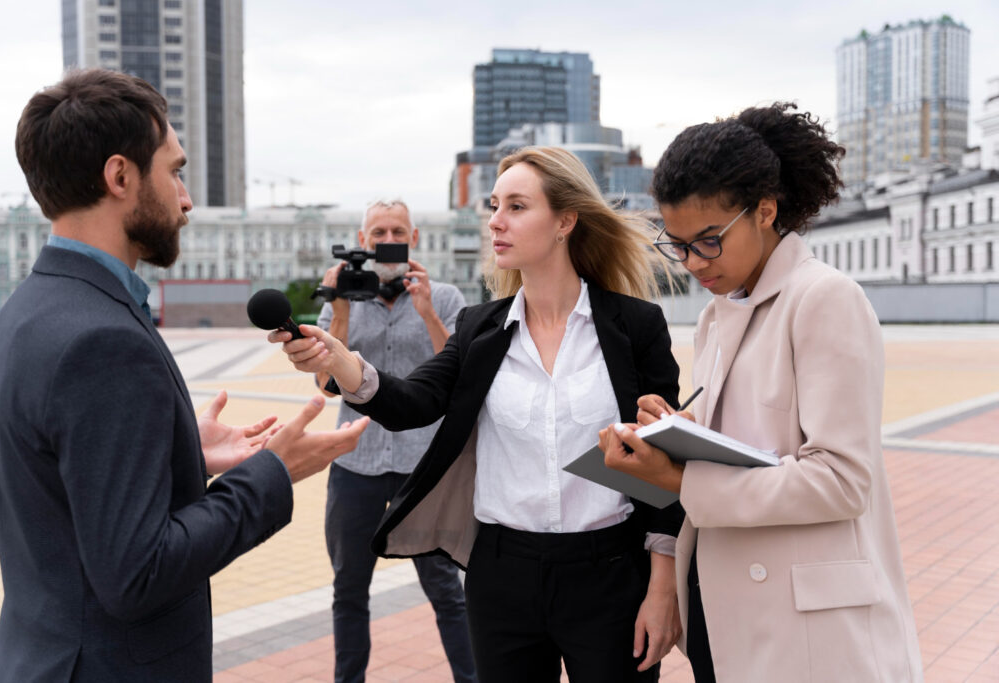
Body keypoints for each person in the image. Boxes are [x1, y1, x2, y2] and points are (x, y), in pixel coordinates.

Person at [0, 68, 369, 682]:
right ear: (120, 176)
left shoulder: (29, 310)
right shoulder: (100, 338)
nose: (186, 200)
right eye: (175, 171)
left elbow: (63, 487)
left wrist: (176, 448)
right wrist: (274, 474)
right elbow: (138, 574)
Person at [271, 146, 685, 682]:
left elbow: (666, 468)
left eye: (516, 206)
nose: (495, 221)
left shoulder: (636, 326)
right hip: (501, 576)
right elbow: (410, 403)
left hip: (609, 573)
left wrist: (662, 586)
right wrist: (342, 361)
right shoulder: (478, 328)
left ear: (565, 220)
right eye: (494, 205)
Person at [600, 102, 923, 682]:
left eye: (708, 240)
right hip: (728, 609)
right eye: (676, 244)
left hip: (809, 628)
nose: (693, 262)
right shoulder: (716, 316)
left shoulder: (824, 299)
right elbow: (752, 447)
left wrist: (678, 478)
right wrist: (679, 434)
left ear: (766, 211)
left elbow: (842, 480)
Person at [312, 199, 476, 683]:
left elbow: (464, 375)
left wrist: (427, 312)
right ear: (362, 241)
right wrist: (339, 309)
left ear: (415, 238)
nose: (387, 239)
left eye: (397, 231)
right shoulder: (339, 298)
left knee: (446, 589)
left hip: (422, 464)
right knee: (349, 589)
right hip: (356, 463)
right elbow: (325, 384)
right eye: (378, 231)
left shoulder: (444, 296)